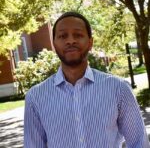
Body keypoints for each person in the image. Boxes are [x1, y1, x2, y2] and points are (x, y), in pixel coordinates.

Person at [24, 11, 150, 148]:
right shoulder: (35, 97)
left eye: (78, 35)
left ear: (90, 42)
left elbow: (139, 143)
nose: (70, 40)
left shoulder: (118, 89)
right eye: (62, 36)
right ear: (54, 44)